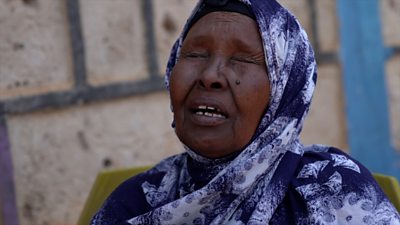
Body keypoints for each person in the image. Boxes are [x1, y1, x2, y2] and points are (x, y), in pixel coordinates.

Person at [91, 0, 400, 224]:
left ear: (285, 90)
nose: (210, 75)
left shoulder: (331, 191)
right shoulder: (135, 203)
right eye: (195, 54)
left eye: (245, 59)